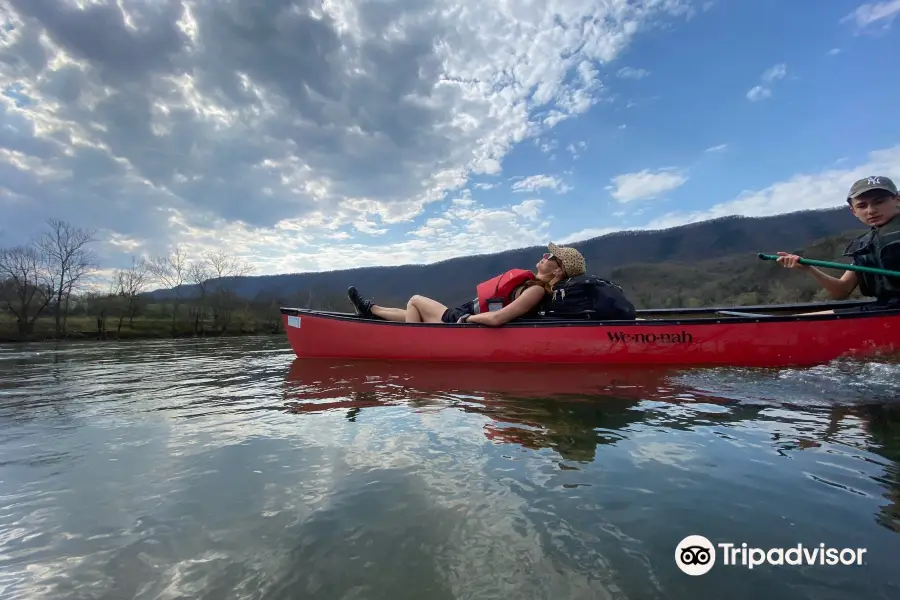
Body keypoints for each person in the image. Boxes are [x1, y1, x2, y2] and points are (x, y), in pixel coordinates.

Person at [346, 243, 587, 326]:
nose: (544, 257)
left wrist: (466, 320)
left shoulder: (535, 290)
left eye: (550, 257)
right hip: (464, 314)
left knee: (415, 301)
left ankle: (409, 342)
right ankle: (371, 310)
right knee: (421, 313)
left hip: (463, 319)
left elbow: (496, 319)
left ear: (558, 270)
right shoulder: (532, 285)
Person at [776, 175, 900, 313]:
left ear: (897, 200)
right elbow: (842, 290)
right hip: (883, 309)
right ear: (854, 211)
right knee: (797, 322)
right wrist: (807, 268)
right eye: (862, 206)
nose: (871, 210)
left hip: (892, 313)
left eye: (879, 202)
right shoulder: (866, 244)